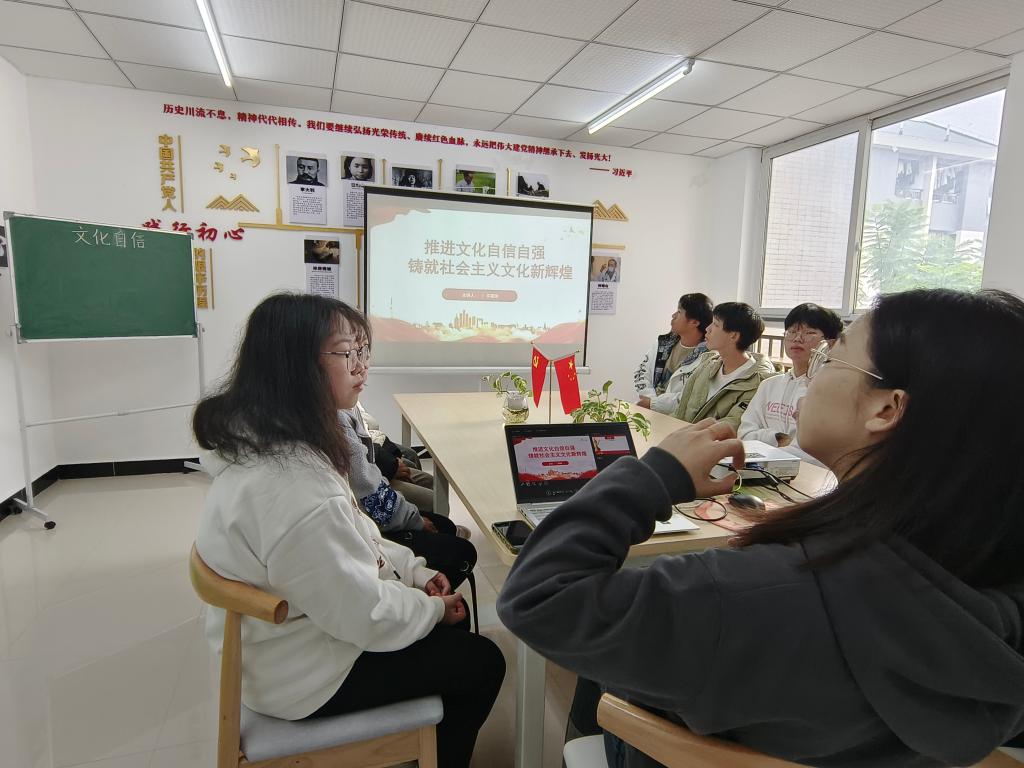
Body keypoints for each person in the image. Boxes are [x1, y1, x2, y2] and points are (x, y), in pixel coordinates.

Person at [498, 288, 1024, 768]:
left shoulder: (748, 595)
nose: (811, 370)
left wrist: (654, 476)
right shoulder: (994, 594)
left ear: (887, 409)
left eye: (833, 356)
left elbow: (538, 597)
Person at [193, 293, 504, 768]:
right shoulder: (294, 486)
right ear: (296, 367)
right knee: (482, 663)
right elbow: (362, 615)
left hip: (284, 645)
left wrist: (414, 571)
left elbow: (360, 533)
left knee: (447, 620)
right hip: (302, 675)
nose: (361, 366)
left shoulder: (275, 443)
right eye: (346, 353)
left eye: (362, 351)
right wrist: (430, 610)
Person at [339, 404, 477, 592]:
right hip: (369, 532)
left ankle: (434, 590)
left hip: (370, 514)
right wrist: (415, 520)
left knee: (444, 523)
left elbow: (371, 470)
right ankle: (433, 595)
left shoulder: (339, 410)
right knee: (460, 546)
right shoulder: (335, 421)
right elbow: (372, 496)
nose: (360, 386)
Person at [739, 302, 843, 461]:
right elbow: (745, 434)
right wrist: (778, 438)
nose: (797, 339)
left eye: (809, 332)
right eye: (792, 332)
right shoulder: (769, 385)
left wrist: (765, 439)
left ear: (830, 343)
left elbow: (817, 450)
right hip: (760, 466)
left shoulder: (832, 391)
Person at [672, 301, 775, 429]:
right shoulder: (707, 364)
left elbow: (733, 425)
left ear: (734, 336)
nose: (707, 329)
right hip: (682, 436)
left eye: (715, 324)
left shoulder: (758, 382)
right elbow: (681, 410)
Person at [635, 293, 713, 414]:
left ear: (694, 322)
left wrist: (654, 404)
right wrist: (650, 400)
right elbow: (642, 372)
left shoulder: (709, 357)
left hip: (676, 417)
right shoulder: (663, 343)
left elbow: (690, 397)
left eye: (679, 312)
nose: (673, 315)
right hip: (648, 410)